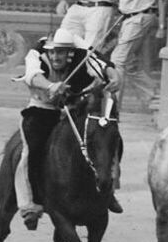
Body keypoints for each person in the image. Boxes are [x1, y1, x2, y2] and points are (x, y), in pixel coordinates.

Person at [14, 29, 118, 229]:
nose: (55, 57)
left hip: (73, 108)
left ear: (70, 52)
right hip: (43, 109)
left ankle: (108, 191)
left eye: (60, 52)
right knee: (31, 149)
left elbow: (103, 66)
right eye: (52, 52)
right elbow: (32, 76)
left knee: (108, 139)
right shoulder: (36, 54)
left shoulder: (81, 53)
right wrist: (51, 86)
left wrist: (114, 76)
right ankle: (29, 205)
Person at [111, 0, 168, 111]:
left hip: (142, 16)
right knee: (129, 64)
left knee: (117, 59)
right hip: (127, 17)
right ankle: (153, 95)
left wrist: (162, 26)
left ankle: (113, 106)